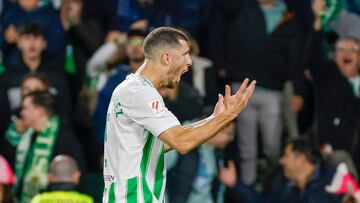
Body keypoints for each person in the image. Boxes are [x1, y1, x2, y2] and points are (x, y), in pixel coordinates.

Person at [102, 27, 256, 202]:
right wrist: (227, 116)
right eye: (185, 54)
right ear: (166, 58)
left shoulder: (130, 89)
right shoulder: (140, 92)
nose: (190, 62)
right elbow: (182, 142)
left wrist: (213, 119)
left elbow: (161, 144)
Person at [307, 0, 360, 155]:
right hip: (327, 156)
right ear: (334, 55)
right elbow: (312, 57)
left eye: (353, 49)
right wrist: (318, 20)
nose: (347, 53)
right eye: (341, 49)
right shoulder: (327, 76)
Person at [13, 91, 85, 203]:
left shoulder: (64, 138)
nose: (22, 113)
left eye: (26, 108)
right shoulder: (27, 137)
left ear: (40, 111)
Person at [222, 137, 343, 203]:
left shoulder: (334, 180)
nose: (281, 161)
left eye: (286, 155)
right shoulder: (288, 190)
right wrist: (235, 184)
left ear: (301, 159)